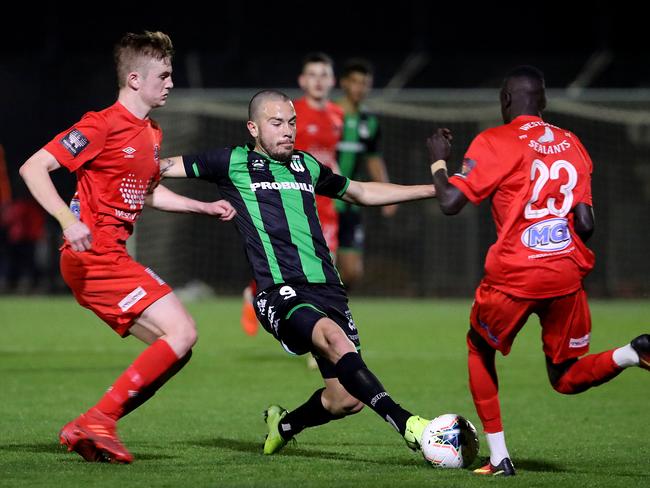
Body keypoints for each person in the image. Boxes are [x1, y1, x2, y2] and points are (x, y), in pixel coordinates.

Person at [160, 89, 437, 456]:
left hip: (328, 288)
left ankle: (284, 425)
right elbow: (161, 167)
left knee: (345, 400)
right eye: (276, 123)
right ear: (254, 127)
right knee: (334, 340)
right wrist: (117, 166)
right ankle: (409, 425)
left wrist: (434, 189)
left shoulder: (305, 165)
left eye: (291, 122)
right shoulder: (231, 161)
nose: (288, 130)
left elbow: (363, 192)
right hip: (279, 290)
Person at [19, 31, 236, 464]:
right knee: (184, 331)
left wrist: (203, 206)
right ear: (135, 78)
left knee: (176, 349)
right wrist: (67, 218)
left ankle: (92, 423)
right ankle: (99, 420)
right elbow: (34, 167)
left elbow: (147, 192)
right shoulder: (100, 124)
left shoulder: (151, 133)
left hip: (109, 256)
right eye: (164, 74)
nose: (171, 83)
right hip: (93, 254)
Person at [426, 65, 650, 476]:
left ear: (505, 100)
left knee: (479, 346)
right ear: (544, 102)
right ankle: (632, 353)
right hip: (565, 274)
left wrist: (439, 161)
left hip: (515, 274)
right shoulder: (572, 142)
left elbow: (450, 203)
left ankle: (499, 457)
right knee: (564, 378)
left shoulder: (494, 141)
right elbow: (586, 224)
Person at [240, 52, 343, 337]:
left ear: (332, 80)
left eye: (324, 75)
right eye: (312, 74)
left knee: (326, 263)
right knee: (288, 261)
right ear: (302, 80)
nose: (319, 81)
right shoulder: (289, 114)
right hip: (290, 198)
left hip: (324, 200)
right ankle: (257, 294)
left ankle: (322, 327)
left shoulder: (338, 115)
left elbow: (330, 160)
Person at [335, 58, 396, 289]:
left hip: (350, 202)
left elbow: (373, 159)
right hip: (322, 203)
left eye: (365, 83)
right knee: (323, 265)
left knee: (351, 270)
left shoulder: (369, 122)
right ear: (343, 83)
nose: (360, 88)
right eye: (355, 82)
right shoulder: (329, 116)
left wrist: (387, 194)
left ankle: (334, 309)